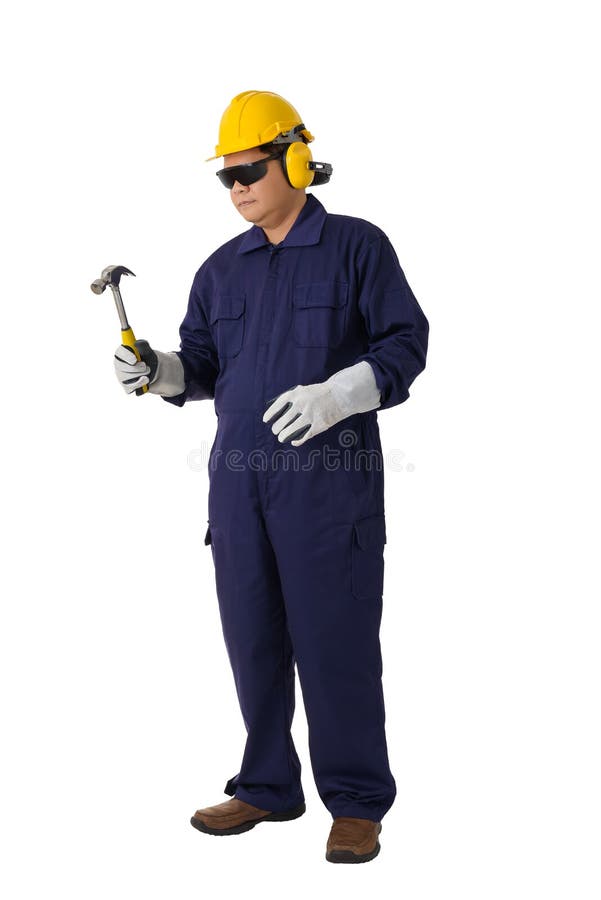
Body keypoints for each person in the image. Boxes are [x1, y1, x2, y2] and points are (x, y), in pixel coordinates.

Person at [114, 89, 429, 864]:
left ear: (294, 159)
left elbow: (404, 342)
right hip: (239, 485)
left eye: (250, 169)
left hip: (329, 487)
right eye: (225, 177)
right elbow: (205, 368)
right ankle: (265, 786)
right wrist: (159, 372)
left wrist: (345, 390)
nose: (237, 187)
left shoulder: (358, 246)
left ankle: (355, 800)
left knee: (335, 643)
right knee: (252, 639)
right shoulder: (221, 270)